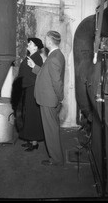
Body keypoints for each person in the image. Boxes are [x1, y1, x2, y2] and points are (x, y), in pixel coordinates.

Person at [27, 30, 65, 166]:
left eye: (46, 38)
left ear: (49, 41)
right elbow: (46, 73)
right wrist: (35, 67)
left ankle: (56, 159)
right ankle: (56, 157)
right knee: (52, 129)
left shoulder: (54, 57)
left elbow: (57, 82)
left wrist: (60, 98)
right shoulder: (55, 55)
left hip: (49, 100)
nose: (44, 40)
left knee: (51, 131)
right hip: (48, 99)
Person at [17, 37, 45, 152]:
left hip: (32, 90)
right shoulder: (30, 56)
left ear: (36, 47)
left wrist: (22, 83)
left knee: (33, 116)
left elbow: (35, 77)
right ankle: (29, 140)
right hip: (27, 89)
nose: (28, 44)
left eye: (31, 43)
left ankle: (34, 143)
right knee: (27, 115)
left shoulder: (37, 58)